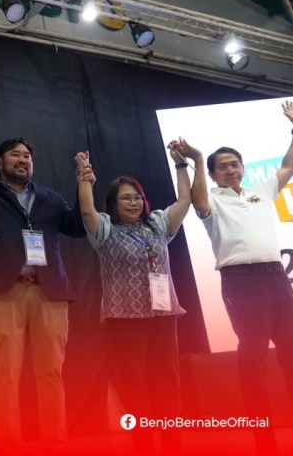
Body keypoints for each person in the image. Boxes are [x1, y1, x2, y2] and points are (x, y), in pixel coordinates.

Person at [180, 102, 293, 456]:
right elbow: (198, 201)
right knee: (253, 362)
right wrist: (197, 159)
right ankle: (264, 441)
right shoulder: (211, 199)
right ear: (213, 174)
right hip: (241, 283)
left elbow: (289, 166)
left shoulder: (261, 190)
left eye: (234, 163)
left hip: (277, 278)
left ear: (242, 167)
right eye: (222, 166)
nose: (230, 169)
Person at [0, 137, 87, 451]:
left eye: (27, 155)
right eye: (15, 154)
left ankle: (55, 443)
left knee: (51, 373)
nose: (22, 159)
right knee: (4, 375)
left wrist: (83, 183)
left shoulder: (50, 198)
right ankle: (7, 445)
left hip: (49, 293)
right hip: (4, 292)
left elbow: (78, 227)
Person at [75, 146, 195, 455]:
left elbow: (184, 201)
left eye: (137, 197)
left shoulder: (157, 224)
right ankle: (143, 444)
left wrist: (181, 165)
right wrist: (84, 177)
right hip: (125, 320)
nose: (133, 202)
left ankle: (172, 444)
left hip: (163, 316)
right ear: (113, 203)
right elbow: (86, 212)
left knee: (168, 381)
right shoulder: (106, 230)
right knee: (134, 383)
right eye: (126, 198)